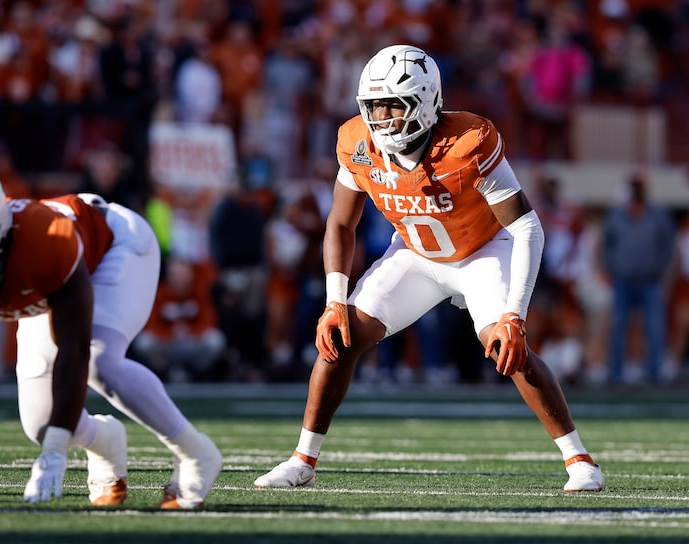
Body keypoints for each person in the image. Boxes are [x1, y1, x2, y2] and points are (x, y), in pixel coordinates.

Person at [253, 45, 603, 493]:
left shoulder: (468, 141)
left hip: (483, 249)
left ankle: (579, 459)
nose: (381, 117)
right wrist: (333, 302)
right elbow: (341, 222)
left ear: (425, 101)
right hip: (416, 255)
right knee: (338, 338)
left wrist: (515, 314)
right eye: (373, 105)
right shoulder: (357, 143)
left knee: (505, 346)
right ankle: (302, 460)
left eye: (392, 105)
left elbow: (527, 227)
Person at [0, 163, 222, 510]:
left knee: (99, 361)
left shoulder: (46, 244)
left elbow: (75, 349)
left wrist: (56, 451)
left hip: (113, 248)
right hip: (44, 279)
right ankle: (105, 441)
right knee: (40, 422)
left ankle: (195, 452)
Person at [601, 173, 675, 385]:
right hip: (622, 280)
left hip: (649, 280)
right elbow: (607, 244)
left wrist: (661, 268)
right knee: (618, 328)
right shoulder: (616, 215)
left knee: (653, 328)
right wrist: (610, 268)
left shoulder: (659, 215)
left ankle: (654, 373)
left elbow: (668, 245)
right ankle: (615, 373)